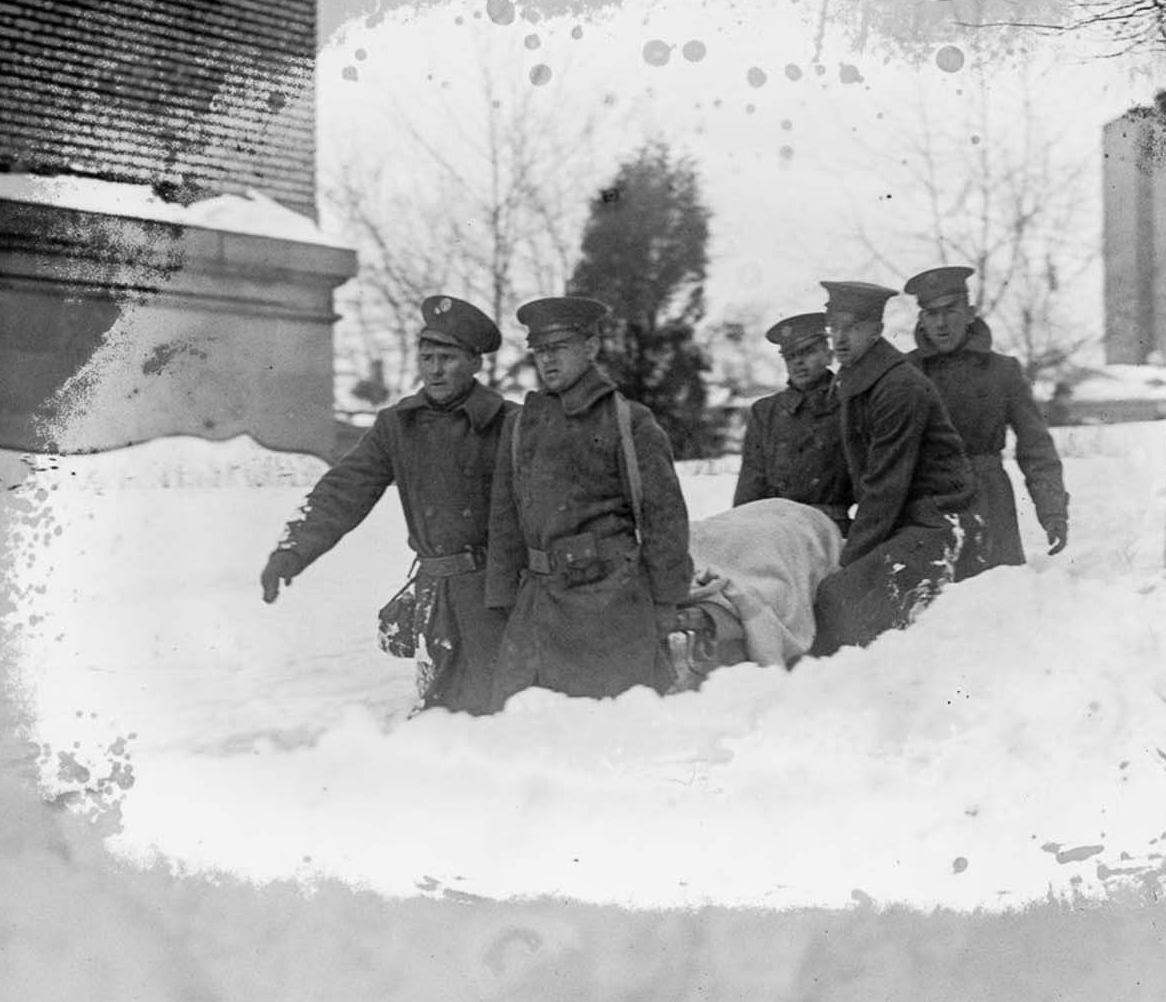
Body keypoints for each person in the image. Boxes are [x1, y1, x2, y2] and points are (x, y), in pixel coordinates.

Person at [259, 294, 514, 717]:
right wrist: (292, 550)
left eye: (447, 358)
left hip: (496, 598)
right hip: (435, 597)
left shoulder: (510, 423)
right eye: (427, 356)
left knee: (497, 716)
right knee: (438, 712)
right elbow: (344, 490)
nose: (434, 369)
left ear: (475, 363)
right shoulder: (398, 426)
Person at [485, 296, 693, 705]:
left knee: (604, 729)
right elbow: (505, 519)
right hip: (537, 604)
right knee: (518, 721)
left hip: (609, 604)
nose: (547, 361)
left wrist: (668, 601)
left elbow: (664, 519)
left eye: (559, 348)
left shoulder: (628, 420)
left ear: (591, 347)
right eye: (540, 351)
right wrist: (501, 599)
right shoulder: (521, 424)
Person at [810, 280, 979, 656]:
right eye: (833, 328)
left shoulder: (898, 386)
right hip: (902, 519)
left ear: (877, 330)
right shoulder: (856, 380)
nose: (839, 339)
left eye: (851, 327)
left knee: (839, 593)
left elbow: (884, 486)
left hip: (939, 521)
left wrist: (848, 558)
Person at [903, 265, 1069, 568]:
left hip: (990, 503)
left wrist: (1052, 511)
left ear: (970, 312)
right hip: (927, 505)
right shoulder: (906, 374)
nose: (941, 323)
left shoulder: (1002, 371)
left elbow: (1036, 447)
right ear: (922, 319)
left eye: (950, 310)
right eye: (931, 313)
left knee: (996, 600)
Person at [733, 311, 853, 534]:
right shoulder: (766, 411)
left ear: (828, 355)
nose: (798, 362)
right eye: (790, 356)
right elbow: (751, 484)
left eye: (807, 352)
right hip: (776, 530)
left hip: (831, 530)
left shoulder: (849, 405)